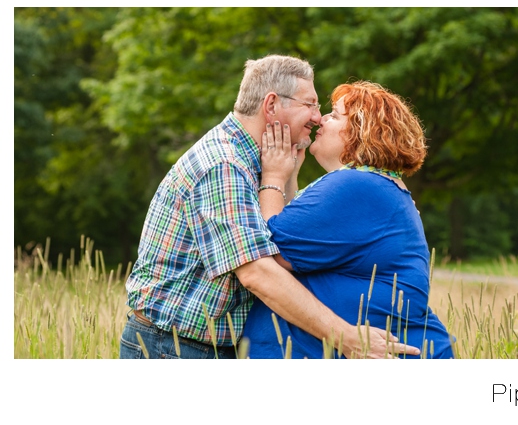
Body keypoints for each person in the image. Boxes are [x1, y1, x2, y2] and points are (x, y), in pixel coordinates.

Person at [120, 55, 420, 359]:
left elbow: (282, 236)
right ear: (272, 105)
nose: (318, 118)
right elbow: (258, 271)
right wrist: (345, 336)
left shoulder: (258, 161)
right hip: (172, 348)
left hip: (202, 347)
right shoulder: (224, 164)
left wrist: (285, 176)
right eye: (311, 104)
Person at [242, 81, 455, 359]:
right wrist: (291, 173)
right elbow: (299, 238)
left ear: (361, 133)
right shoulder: (374, 188)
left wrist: (272, 176)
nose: (321, 119)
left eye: (335, 115)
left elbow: (270, 249)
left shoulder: (356, 186)